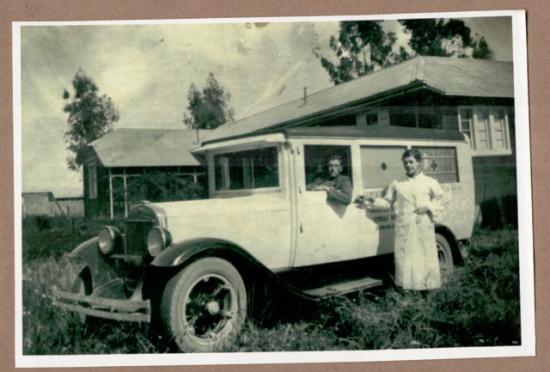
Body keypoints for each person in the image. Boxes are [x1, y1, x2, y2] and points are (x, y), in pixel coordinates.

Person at [363, 149, 449, 290]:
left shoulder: (429, 182)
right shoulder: (397, 183)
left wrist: (428, 207)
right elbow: (387, 202)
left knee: (423, 256)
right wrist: (371, 201)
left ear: (419, 163)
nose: (408, 165)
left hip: (422, 225)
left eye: (411, 162)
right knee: (405, 259)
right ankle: (408, 290)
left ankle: (427, 289)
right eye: (405, 163)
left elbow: (444, 200)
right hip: (404, 226)